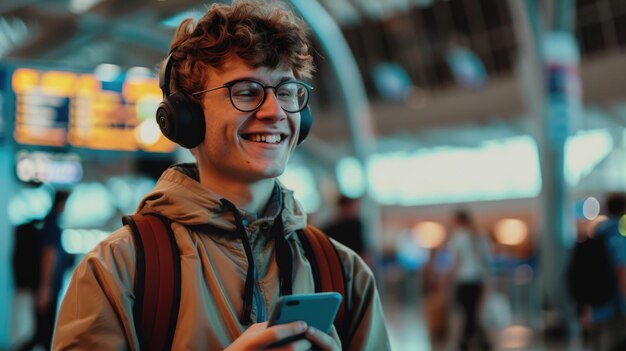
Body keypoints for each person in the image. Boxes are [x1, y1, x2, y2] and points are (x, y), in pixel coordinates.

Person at [52, 1, 391, 350]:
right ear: (185, 116)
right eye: (246, 92)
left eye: (287, 92)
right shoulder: (119, 271)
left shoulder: (343, 273)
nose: (275, 111)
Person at [17, 190, 70, 351]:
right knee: (44, 335)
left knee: (41, 335)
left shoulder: (50, 221)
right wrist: (45, 288)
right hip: (47, 288)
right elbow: (49, 255)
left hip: (46, 287)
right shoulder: (52, 223)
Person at [578, 193, 626, 350]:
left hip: (594, 306)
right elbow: (622, 272)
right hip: (613, 308)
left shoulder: (596, 236)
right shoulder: (617, 238)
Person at [444, 209, 492, 351]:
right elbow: (485, 262)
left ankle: (466, 341)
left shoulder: (459, 237)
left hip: (464, 280)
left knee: (465, 313)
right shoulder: (480, 236)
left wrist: (446, 278)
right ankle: (473, 340)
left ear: (458, 221)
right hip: (477, 280)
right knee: (473, 312)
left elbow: (456, 262)